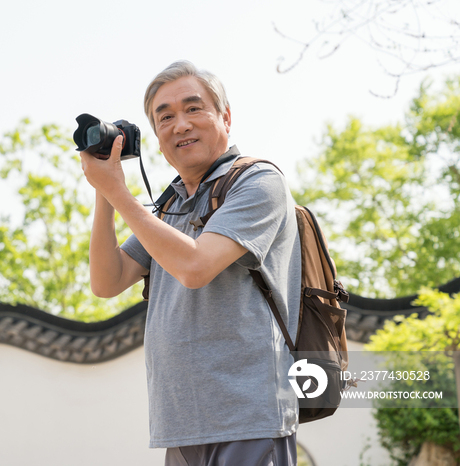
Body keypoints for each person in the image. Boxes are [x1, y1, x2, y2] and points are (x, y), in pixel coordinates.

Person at [80, 60, 300, 466]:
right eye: (165, 117)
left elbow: (196, 268)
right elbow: (106, 281)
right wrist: (105, 191)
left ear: (225, 117)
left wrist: (120, 194)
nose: (180, 124)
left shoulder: (257, 182)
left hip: (247, 417)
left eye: (193, 109)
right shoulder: (169, 207)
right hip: (181, 424)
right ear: (157, 140)